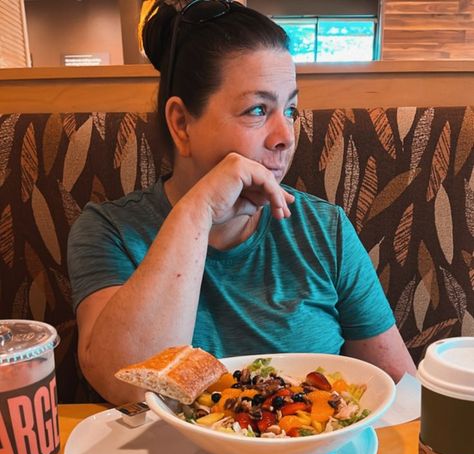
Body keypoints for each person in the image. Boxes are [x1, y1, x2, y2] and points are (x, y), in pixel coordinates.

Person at [68, 0, 416, 405]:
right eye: (257, 110)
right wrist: (197, 213)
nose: (285, 135)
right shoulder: (108, 232)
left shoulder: (326, 231)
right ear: (181, 124)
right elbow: (128, 389)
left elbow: (402, 395)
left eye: (290, 109)